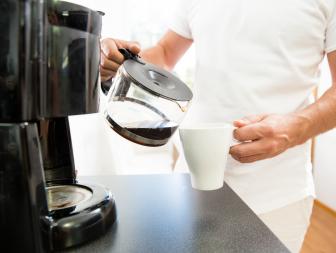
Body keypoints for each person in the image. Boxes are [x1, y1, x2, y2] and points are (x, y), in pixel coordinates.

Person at [100, 1, 336, 252]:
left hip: (278, 195)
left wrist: (295, 129)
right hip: (190, 186)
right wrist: (120, 62)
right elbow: (166, 52)